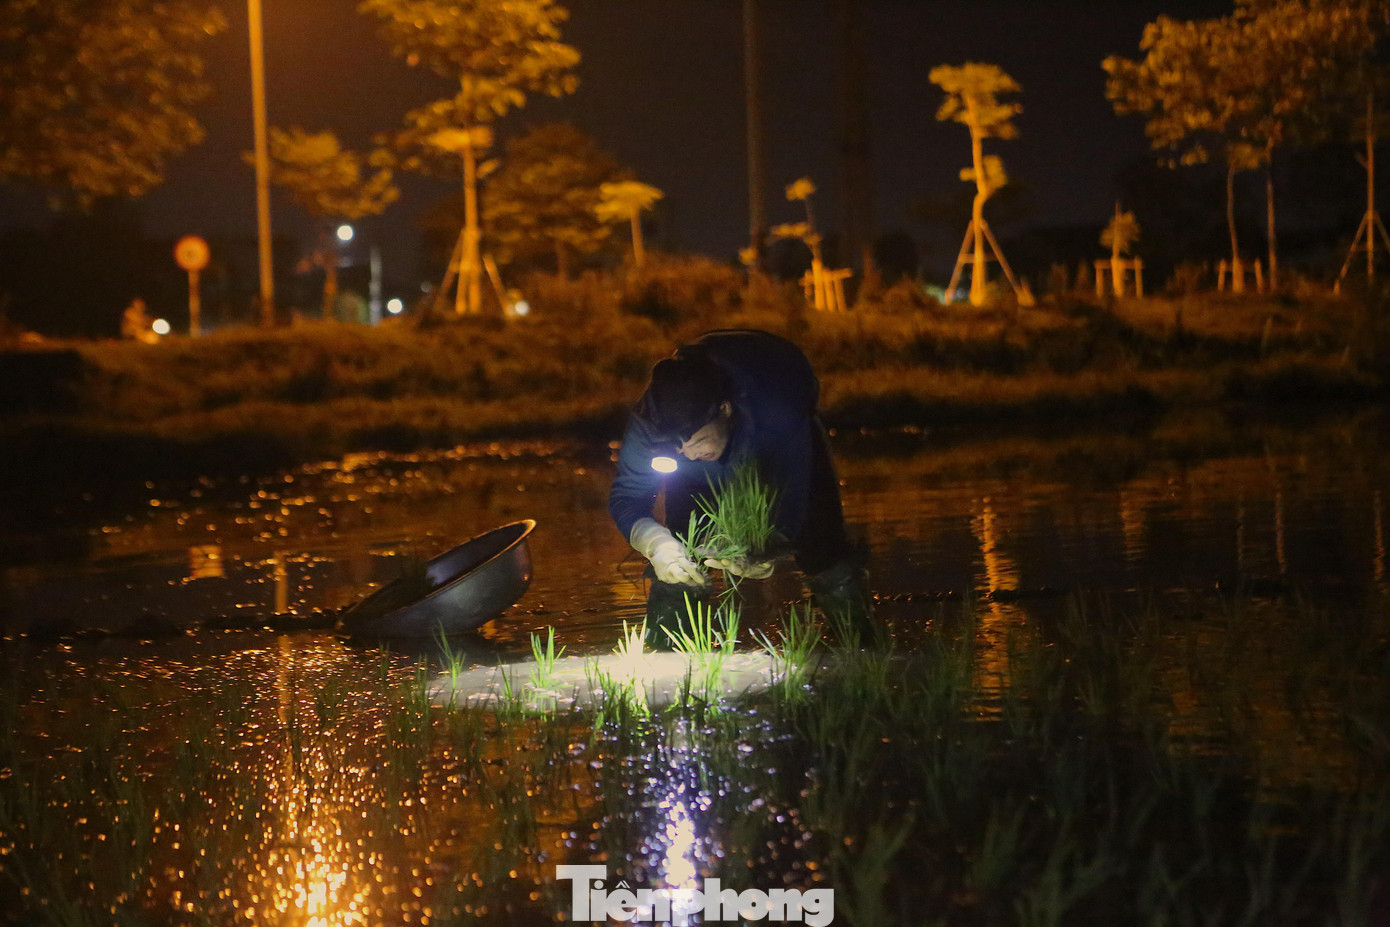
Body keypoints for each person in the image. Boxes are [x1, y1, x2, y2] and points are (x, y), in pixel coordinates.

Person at [609, 329, 872, 647]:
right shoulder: (648, 425)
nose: (690, 453)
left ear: (725, 409)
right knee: (683, 549)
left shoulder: (777, 408)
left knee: (819, 541)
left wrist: (769, 545)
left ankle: (861, 643)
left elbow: (796, 494)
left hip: (775, 438)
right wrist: (656, 544)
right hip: (702, 469)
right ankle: (667, 648)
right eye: (679, 450)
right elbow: (628, 497)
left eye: (699, 441)